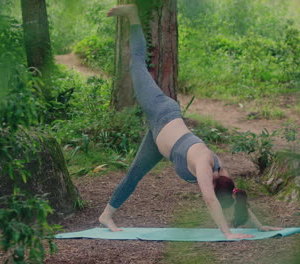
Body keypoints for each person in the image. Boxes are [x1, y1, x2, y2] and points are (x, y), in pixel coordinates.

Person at [99, 4, 282, 240]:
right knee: (137, 64)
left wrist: (259, 226)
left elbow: (237, 197)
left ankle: (105, 215)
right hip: (161, 112)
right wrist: (227, 234)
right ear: (215, 185)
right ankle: (134, 16)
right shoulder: (206, 165)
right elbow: (208, 198)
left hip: (159, 140)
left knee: (134, 174)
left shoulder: (223, 174)